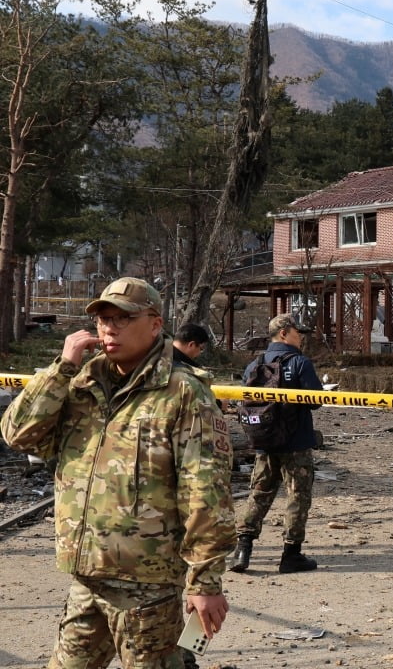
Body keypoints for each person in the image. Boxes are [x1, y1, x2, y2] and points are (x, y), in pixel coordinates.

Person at [0, 277, 234, 668]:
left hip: (149, 589)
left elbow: (206, 492)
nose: (109, 327)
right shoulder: (81, 384)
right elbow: (17, 435)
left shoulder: (183, 392)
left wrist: (206, 582)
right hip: (86, 580)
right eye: (103, 319)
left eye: (123, 318)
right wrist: (61, 368)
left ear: (155, 323)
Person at [229, 313, 323, 574]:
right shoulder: (300, 363)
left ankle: (242, 549)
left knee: (259, 494)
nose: (301, 337)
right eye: (297, 332)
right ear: (284, 333)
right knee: (298, 497)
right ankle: (291, 554)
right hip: (296, 443)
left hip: (264, 441)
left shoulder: (254, 365)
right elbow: (315, 400)